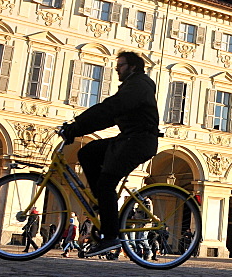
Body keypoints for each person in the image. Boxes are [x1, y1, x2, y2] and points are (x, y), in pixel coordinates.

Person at [60, 51, 160, 257]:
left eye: (120, 65)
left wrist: (77, 127)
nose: (117, 69)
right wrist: (77, 127)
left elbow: (111, 108)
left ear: (132, 67)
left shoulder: (139, 85)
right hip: (129, 138)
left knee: (106, 183)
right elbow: (108, 116)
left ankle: (111, 236)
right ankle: (102, 204)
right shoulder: (131, 86)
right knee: (87, 152)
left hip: (138, 141)